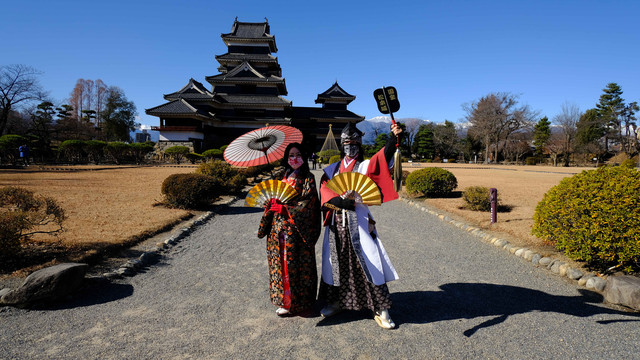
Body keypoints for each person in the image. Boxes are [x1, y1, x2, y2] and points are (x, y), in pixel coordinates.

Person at [318, 122, 402, 329]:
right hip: (336, 223)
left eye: (355, 142)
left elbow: (381, 161)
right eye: (347, 142)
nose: (351, 146)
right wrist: (336, 201)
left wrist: (393, 139)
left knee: (369, 260)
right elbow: (324, 192)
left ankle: (381, 308)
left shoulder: (365, 166)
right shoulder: (331, 170)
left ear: (360, 144)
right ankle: (337, 301)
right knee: (335, 263)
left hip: (360, 221)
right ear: (341, 145)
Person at [257, 143, 321, 316]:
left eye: (298, 154)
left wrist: (287, 209)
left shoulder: (308, 178)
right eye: (291, 155)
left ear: (304, 156)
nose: (294, 158)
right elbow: (268, 197)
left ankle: (303, 302)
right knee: (280, 266)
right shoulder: (279, 177)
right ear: (286, 158)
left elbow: (309, 204)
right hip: (277, 230)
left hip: (297, 231)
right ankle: (285, 302)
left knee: (295, 266)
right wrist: (271, 204)